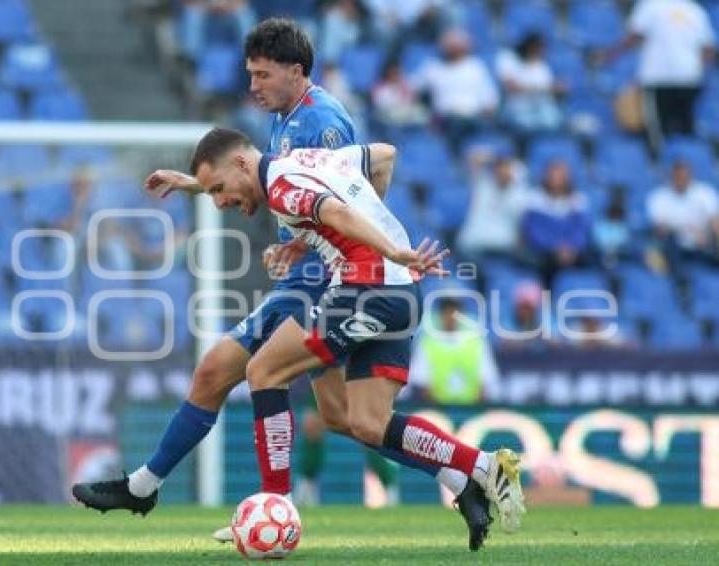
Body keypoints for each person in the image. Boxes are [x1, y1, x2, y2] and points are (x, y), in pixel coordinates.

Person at [72, 19, 493, 551]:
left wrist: (353, 247)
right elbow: (353, 173)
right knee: (348, 418)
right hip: (328, 271)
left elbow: (339, 196)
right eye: (250, 74)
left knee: (236, 371)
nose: (253, 85)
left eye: (263, 74)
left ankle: (204, 494)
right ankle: (460, 477)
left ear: (296, 72)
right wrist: (288, 228)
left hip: (323, 283)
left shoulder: (321, 123)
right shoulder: (286, 117)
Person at [184, 127, 526, 534]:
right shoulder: (309, 161)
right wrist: (357, 236)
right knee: (366, 422)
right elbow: (385, 155)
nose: (221, 202)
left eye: (219, 189)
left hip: (368, 287)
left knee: (263, 372)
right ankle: (485, 467)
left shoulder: (279, 187)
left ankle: (276, 505)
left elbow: (338, 213)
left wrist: (388, 249)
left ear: (242, 163)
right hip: (402, 293)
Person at [600, 0, 715, 145]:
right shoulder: (694, 10)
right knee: (685, 128)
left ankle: (663, 162)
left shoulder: (651, 5)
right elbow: (708, 48)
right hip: (689, 79)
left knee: (658, 129)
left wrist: (610, 55)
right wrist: (698, 70)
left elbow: (634, 35)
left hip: (659, 79)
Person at [409, 28, 499, 154]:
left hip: (472, 119)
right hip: (444, 120)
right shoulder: (433, 67)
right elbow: (411, 87)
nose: (453, 48)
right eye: (449, 45)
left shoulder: (476, 67)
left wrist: (486, 113)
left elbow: (490, 100)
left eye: (456, 44)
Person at [409, 298, 499, 405]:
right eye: (447, 314)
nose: (451, 318)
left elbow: (485, 383)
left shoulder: (477, 343)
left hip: (472, 409)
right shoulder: (427, 344)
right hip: (437, 410)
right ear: (440, 316)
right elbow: (422, 385)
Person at [521, 160, 593, 287]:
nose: (557, 180)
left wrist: (571, 247)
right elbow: (534, 233)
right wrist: (555, 248)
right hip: (544, 255)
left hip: (572, 254)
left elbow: (581, 231)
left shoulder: (578, 200)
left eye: (561, 176)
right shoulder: (535, 199)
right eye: (553, 175)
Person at [647, 159, 719, 271]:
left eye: (685, 177)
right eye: (678, 177)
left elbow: (715, 222)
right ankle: (679, 280)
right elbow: (659, 229)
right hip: (674, 246)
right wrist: (685, 230)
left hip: (703, 244)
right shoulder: (659, 197)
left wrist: (710, 237)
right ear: (672, 176)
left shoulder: (705, 193)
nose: (681, 180)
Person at [495, 32, 563, 137]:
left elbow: (552, 89)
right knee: (527, 126)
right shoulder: (509, 58)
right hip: (518, 109)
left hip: (542, 107)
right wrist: (545, 88)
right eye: (539, 47)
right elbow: (513, 87)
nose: (542, 51)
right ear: (531, 46)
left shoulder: (542, 65)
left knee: (555, 122)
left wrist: (558, 89)